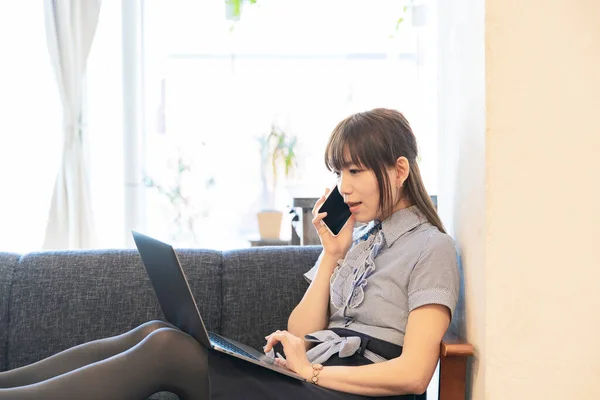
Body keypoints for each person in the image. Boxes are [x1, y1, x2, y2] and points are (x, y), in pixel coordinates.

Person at [0, 108, 459, 400]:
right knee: (157, 328)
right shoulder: (357, 242)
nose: (343, 187)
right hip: (309, 377)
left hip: (344, 391)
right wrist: (332, 257)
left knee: (168, 348)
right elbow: (303, 330)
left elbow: (415, 375)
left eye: (355, 171)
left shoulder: (431, 249)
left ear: (399, 170)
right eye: (339, 172)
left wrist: (313, 376)